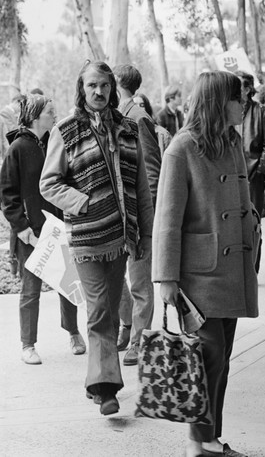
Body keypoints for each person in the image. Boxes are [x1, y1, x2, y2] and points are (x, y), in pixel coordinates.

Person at [152, 71, 258, 457]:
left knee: (220, 360)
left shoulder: (232, 141)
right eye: (238, 97)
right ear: (218, 102)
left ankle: (206, 440)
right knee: (208, 358)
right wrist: (165, 278)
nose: (244, 103)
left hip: (232, 268)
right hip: (198, 274)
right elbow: (167, 218)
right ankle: (202, 443)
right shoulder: (182, 148)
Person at [40, 61, 154, 416]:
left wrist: (145, 234)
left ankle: (98, 382)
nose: (99, 92)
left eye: (104, 85)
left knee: (107, 309)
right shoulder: (66, 130)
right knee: (100, 311)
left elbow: (141, 188)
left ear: (112, 89)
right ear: (82, 88)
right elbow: (49, 184)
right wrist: (84, 202)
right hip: (88, 238)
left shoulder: (129, 128)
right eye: (92, 86)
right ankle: (105, 389)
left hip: (120, 240)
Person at [0, 94, 86, 365]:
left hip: (58, 226)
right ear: (36, 117)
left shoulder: (54, 142)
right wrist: (22, 227)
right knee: (31, 288)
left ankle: (72, 332)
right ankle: (28, 344)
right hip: (29, 231)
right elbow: (6, 193)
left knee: (66, 281)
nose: (55, 114)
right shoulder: (18, 148)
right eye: (50, 111)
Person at [113, 64, 161, 366]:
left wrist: (146, 218)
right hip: (116, 215)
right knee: (118, 279)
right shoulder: (114, 116)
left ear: (118, 84)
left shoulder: (138, 118)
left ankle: (139, 341)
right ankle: (127, 325)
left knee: (140, 281)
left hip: (139, 216)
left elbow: (152, 173)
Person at [235, 71, 265, 273]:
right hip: (231, 176)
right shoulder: (228, 110)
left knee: (254, 223)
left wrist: (259, 170)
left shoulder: (261, 112)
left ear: (248, 88)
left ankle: (253, 269)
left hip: (254, 176)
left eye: (240, 85)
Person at [134, 92, 172, 157]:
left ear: (147, 108)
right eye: (135, 105)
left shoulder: (163, 135)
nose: (138, 108)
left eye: (142, 105)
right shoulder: (125, 134)